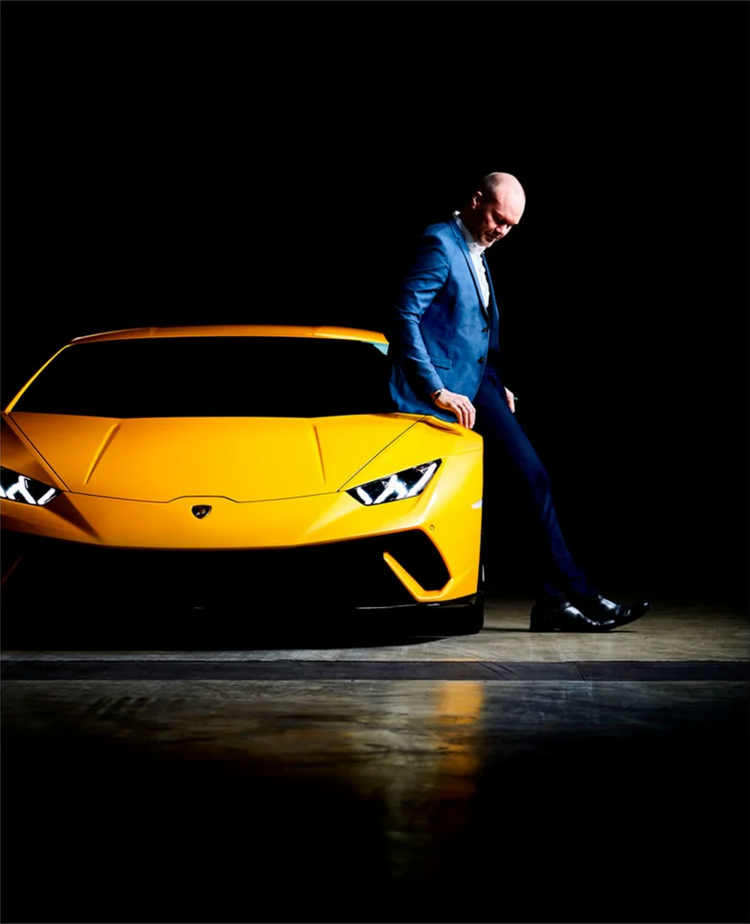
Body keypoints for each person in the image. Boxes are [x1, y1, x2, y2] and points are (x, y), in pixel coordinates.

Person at [385, 171, 649, 632]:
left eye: (510, 226)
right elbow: (404, 315)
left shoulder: (478, 248)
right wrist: (436, 389)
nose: (502, 231)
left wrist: (494, 380)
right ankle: (573, 598)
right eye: (498, 219)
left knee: (530, 482)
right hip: (445, 393)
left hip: (480, 387)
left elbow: (472, 327)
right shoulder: (439, 243)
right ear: (475, 201)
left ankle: (557, 601)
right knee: (524, 484)